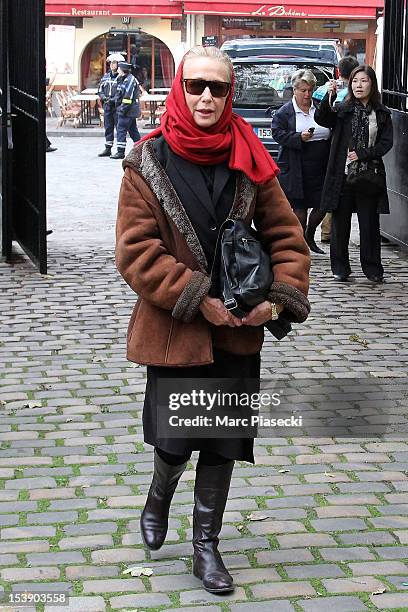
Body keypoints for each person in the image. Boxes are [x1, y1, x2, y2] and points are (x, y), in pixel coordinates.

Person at [116, 45, 310, 595]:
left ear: (229, 94)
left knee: (222, 443)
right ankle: (159, 494)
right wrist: (197, 296)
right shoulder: (146, 162)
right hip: (177, 330)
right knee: (176, 439)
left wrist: (277, 300)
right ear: (181, 87)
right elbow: (136, 251)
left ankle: (206, 546)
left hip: (237, 335)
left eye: (218, 88)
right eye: (197, 85)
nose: (206, 96)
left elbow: (288, 240)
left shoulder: (252, 160)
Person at [315, 65, 393, 282]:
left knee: (369, 224)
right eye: (355, 81)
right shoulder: (343, 110)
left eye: (364, 81)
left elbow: (386, 143)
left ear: (372, 84)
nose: (359, 85)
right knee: (341, 224)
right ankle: (340, 268)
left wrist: (363, 153)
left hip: (369, 174)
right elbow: (323, 119)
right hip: (343, 175)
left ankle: (373, 269)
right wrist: (328, 96)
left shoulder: (381, 112)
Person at [272, 69, 332, 254]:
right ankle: (300, 244)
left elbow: (333, 124)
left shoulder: (320, 107)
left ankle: (309, 234)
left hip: (321, 165)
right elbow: (277, 133)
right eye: (303, 90)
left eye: (310, 90)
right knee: (300, 207)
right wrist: (299, 138)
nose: (307, 94)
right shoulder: (285, 112)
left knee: (325, 203)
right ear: (295, 90)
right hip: (297, 164)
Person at [313, 57, 359, 244]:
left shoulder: (329, 90)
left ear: (340, 71)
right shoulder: (351, 93)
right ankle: (328, 233)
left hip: (333, 145)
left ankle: (326, 232)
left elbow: (320, 113)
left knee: (334, 188)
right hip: (346, 148)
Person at [110, 62, 141, 159]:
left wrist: (121, 110)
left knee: (121, 129)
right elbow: (119, 94)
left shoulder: (130, 80)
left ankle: (120, 152)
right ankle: (141, 149)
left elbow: (128, 97)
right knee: (133, 131)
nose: (117, 70)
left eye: (119, 68)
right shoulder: (123, 79)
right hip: (127, 110)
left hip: (127, 111)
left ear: (123, 70)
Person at [97, 53, 125, 157]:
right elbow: (100, 89)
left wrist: (113, 100)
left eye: (114, 62)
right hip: (107, 106)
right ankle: (107, 148)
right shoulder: (105, 76)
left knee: (119, 129)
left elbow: (122, 92)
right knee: (108, 127)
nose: (111, 65)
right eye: (111, 63)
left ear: (119, 64)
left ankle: (120, 151)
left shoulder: (122, 78)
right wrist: (104, 98)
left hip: (117, 107)